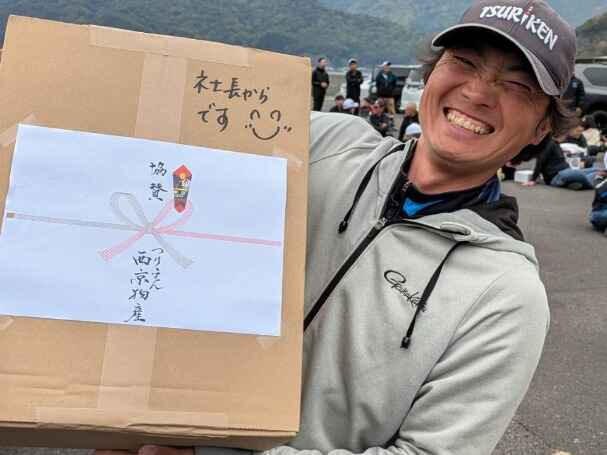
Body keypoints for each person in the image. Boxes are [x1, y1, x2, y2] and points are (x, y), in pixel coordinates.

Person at [96, 1, 577, 454]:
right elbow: (180, 143)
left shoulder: (506, 295)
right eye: (465, 62)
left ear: (542, 128)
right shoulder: (325, 142)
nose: (478, 92)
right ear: (432, 73)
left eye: (517, 86)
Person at [524, 136, 598, 190]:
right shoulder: (548, 144)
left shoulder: (556, 144)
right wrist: (533, 179)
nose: (565, 137)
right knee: (579, 174)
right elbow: (540, 161)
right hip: (556, 176)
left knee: (595, 169)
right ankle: (590, 185)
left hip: (566, 171)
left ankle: (575, 183)